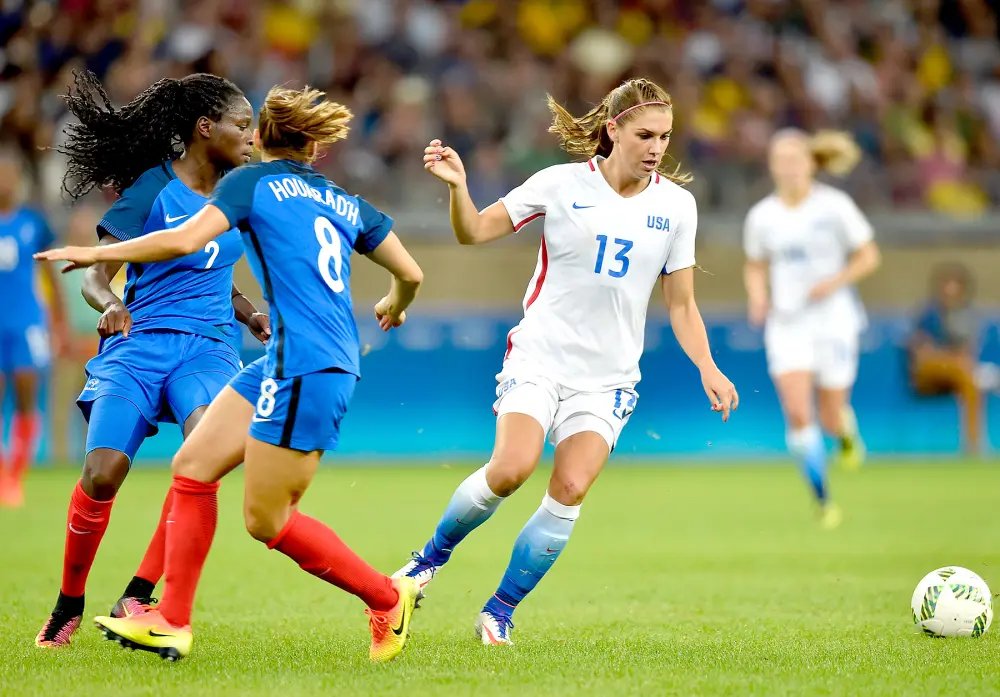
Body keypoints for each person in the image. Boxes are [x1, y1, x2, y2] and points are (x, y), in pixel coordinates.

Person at [38, 85, 426, 663]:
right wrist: (395, 302)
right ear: (312, 147)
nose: (244, 136)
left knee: (265, 520)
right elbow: (412, 272)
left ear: (264, 137)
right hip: (294, 358)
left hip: (304, 365)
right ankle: (166, 617)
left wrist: (95, 257)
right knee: (193, 466)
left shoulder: (248, 184)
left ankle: (387, 596)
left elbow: (185, 240)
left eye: (250, 127)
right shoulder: (344, 200)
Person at [391, 77, 738, 646]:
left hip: (608, 379)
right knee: (510, 469)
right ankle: (426, 563)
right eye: (645, 134)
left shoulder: (677, 207)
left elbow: (682, 305)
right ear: (613, 129)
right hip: (541, 357)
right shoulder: (560, 184)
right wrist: (458, 188)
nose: (656, 148)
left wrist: (708, 365)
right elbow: (475, 231)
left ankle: (499, 611)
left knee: (571, 487)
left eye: (665, 137)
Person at [35, 71, 270, 648]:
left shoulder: (240, 193)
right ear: (204, 127)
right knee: (102, 473)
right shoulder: (151, 189)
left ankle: (139, 593)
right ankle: (68, 603)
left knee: (206, 456)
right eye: (242, 125)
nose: (251, 136)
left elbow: (217, 272)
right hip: (139, 344)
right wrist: (111, 305)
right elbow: (96, 275)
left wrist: (250, 313)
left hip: (209, 348)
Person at [743, 130, 881, 529]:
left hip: (834, 318)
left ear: (810, 163)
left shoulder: (834, 206)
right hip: (787, 323)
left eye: (794, 159)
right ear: (771, 167)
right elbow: (755, 263)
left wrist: (833, 282)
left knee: (831, 415)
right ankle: (823, 500)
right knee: (799, 413)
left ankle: (844, 431)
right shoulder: (762, 216)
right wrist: (757, 295)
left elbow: (869, 256)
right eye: (779, 160)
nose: (787, 167)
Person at [0, 151, 68, 507]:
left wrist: (59, 322)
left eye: (10, 175)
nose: (5, 182)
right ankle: (2, 478)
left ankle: (16, 474)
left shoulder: (33, 223)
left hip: (26, 322)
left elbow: (50, 277)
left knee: (26, 396)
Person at [908, 263, 982, 454]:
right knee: (962, 369)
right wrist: (947, 357)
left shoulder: (967, 315)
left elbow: (967, 351)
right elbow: (921, 352)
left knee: (970, 382)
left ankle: (973, 446)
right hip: (927, 373)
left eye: (954, 284)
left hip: (956, 375)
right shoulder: (928, 314)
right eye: (946, 284)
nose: (949, 289)